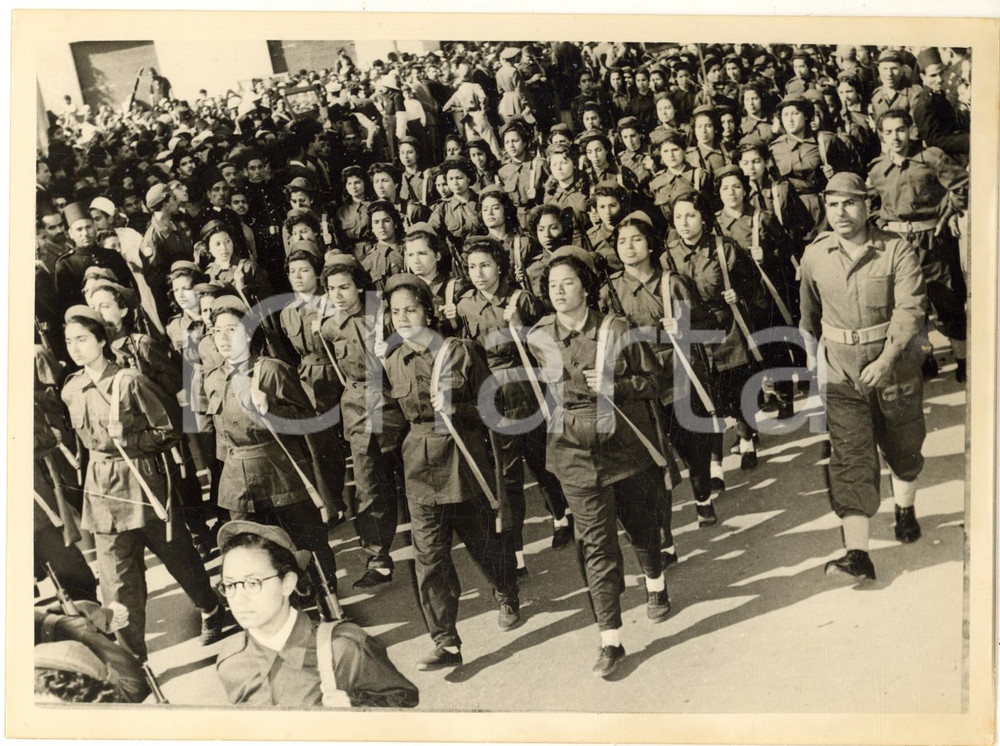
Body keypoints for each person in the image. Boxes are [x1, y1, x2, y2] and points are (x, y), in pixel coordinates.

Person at [526, 246, 669, 678]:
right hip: (573, 452)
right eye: (552, 286)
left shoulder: (616, 328)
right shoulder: (538, 337)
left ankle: (656, 583)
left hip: (621, 446)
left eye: (568, 282)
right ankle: (610, 638)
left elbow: (653, 381)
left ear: (585, 287)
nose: (559, 292)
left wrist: (616, 384)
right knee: (596, 544)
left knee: (640, 524)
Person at [60, 305, 222, 662]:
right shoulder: (71, 389)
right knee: (116, 579)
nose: (75, 347)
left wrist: (132, 441)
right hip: (101, 490)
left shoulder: (130, 381)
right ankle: (134, 659)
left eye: (83, 339)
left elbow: (169, 430)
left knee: (178, 557)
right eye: (69, 341)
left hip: (141, 481)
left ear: (101, 340)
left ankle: (211, 607)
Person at [381, 273, 521, 671]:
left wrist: (458, 409)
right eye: (396, 312)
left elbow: (494, 407)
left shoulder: (459, 352)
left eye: (411, 308)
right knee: (429, 558)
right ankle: (445, 640)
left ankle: (506, 590)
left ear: (428, 310)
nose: (404, 317)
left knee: (483, 544)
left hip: (464, 462)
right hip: (419, 469)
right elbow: (394, 421)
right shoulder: (392, 361)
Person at [798, 172, 928, 580]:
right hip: (842, 373)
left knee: (904, 447)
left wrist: (887, 360)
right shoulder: (815, 255)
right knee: (850, 457)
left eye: (849, 203)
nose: (841, 212)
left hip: (894, 368)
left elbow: (910, 311)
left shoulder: (896, 251)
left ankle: (904, 507)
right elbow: (808, 316)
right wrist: (814, 364)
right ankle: (858, 553)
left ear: (867, 205)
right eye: (833, 204)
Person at [202, 294, 342, 620]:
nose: (223, 338)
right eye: (217, 331)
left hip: (281, 474)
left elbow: (309, 426)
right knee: (254, 556)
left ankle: (329, 606)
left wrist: (272, 409)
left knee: (306, 544)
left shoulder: (271, 372)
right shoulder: (213, 377)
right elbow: (221, 437)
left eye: (232, 330)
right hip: (238, 483)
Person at [447, 235, 572, 572]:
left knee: (542, 461)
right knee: (507, 475)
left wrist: (521, 329)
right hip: (492, 395)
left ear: (500, 266)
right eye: (472, 267)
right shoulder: (465, 305)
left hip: (526, 389)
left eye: (485, 265)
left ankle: (562, 515)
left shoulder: (521, 299)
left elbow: (548, 342)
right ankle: (516, 551)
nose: (479, 272)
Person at [600, 211, 717, 555]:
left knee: (691, 445)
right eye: (622, 242)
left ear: (651, 244)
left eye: (636, 239)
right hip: (639, 383)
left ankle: (702, 492)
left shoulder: (673, 283)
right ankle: (664, 538)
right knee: (654, 461)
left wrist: (680, 330)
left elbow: (706, 326)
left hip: (676, 376)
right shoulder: (611, 290)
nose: (629, 247)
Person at [214, 520, 418, 707]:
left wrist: (355, 714)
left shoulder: (344, 649)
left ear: (287, 583)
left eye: (252, 583)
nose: (238, 598)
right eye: (230, 585)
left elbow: (402, 705)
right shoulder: (231, 662)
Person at [318, 254, 407, 589]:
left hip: (393, 403)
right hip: (357, 409)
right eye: (331, 289)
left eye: (344, 287)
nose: (338, 294)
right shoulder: (328, 325)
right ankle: (378, 558)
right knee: (368, 487)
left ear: (359, 286)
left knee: (414, 478)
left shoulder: (383, 315)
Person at [866, 109, 968, 382]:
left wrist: (948, 215)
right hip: (898, 247)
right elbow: (872, 204)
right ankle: (926, 358)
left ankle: (963, 360)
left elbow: (962, 185)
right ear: (881, 135)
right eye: (888, 132)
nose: (895, 137)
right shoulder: (877, 168)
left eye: (900, 129)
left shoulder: (930, 158)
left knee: (947, 300)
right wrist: (881, 224)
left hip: (932, 243)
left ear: (910, 130)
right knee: (909, 304)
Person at [53, 202, 137, 320]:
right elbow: (68, 306)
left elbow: (132, 290)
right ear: (71, 234)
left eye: (88, 227)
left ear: (95, 228)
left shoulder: (112, 255)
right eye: (79, 229)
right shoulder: (66, 265)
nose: (85, 233)